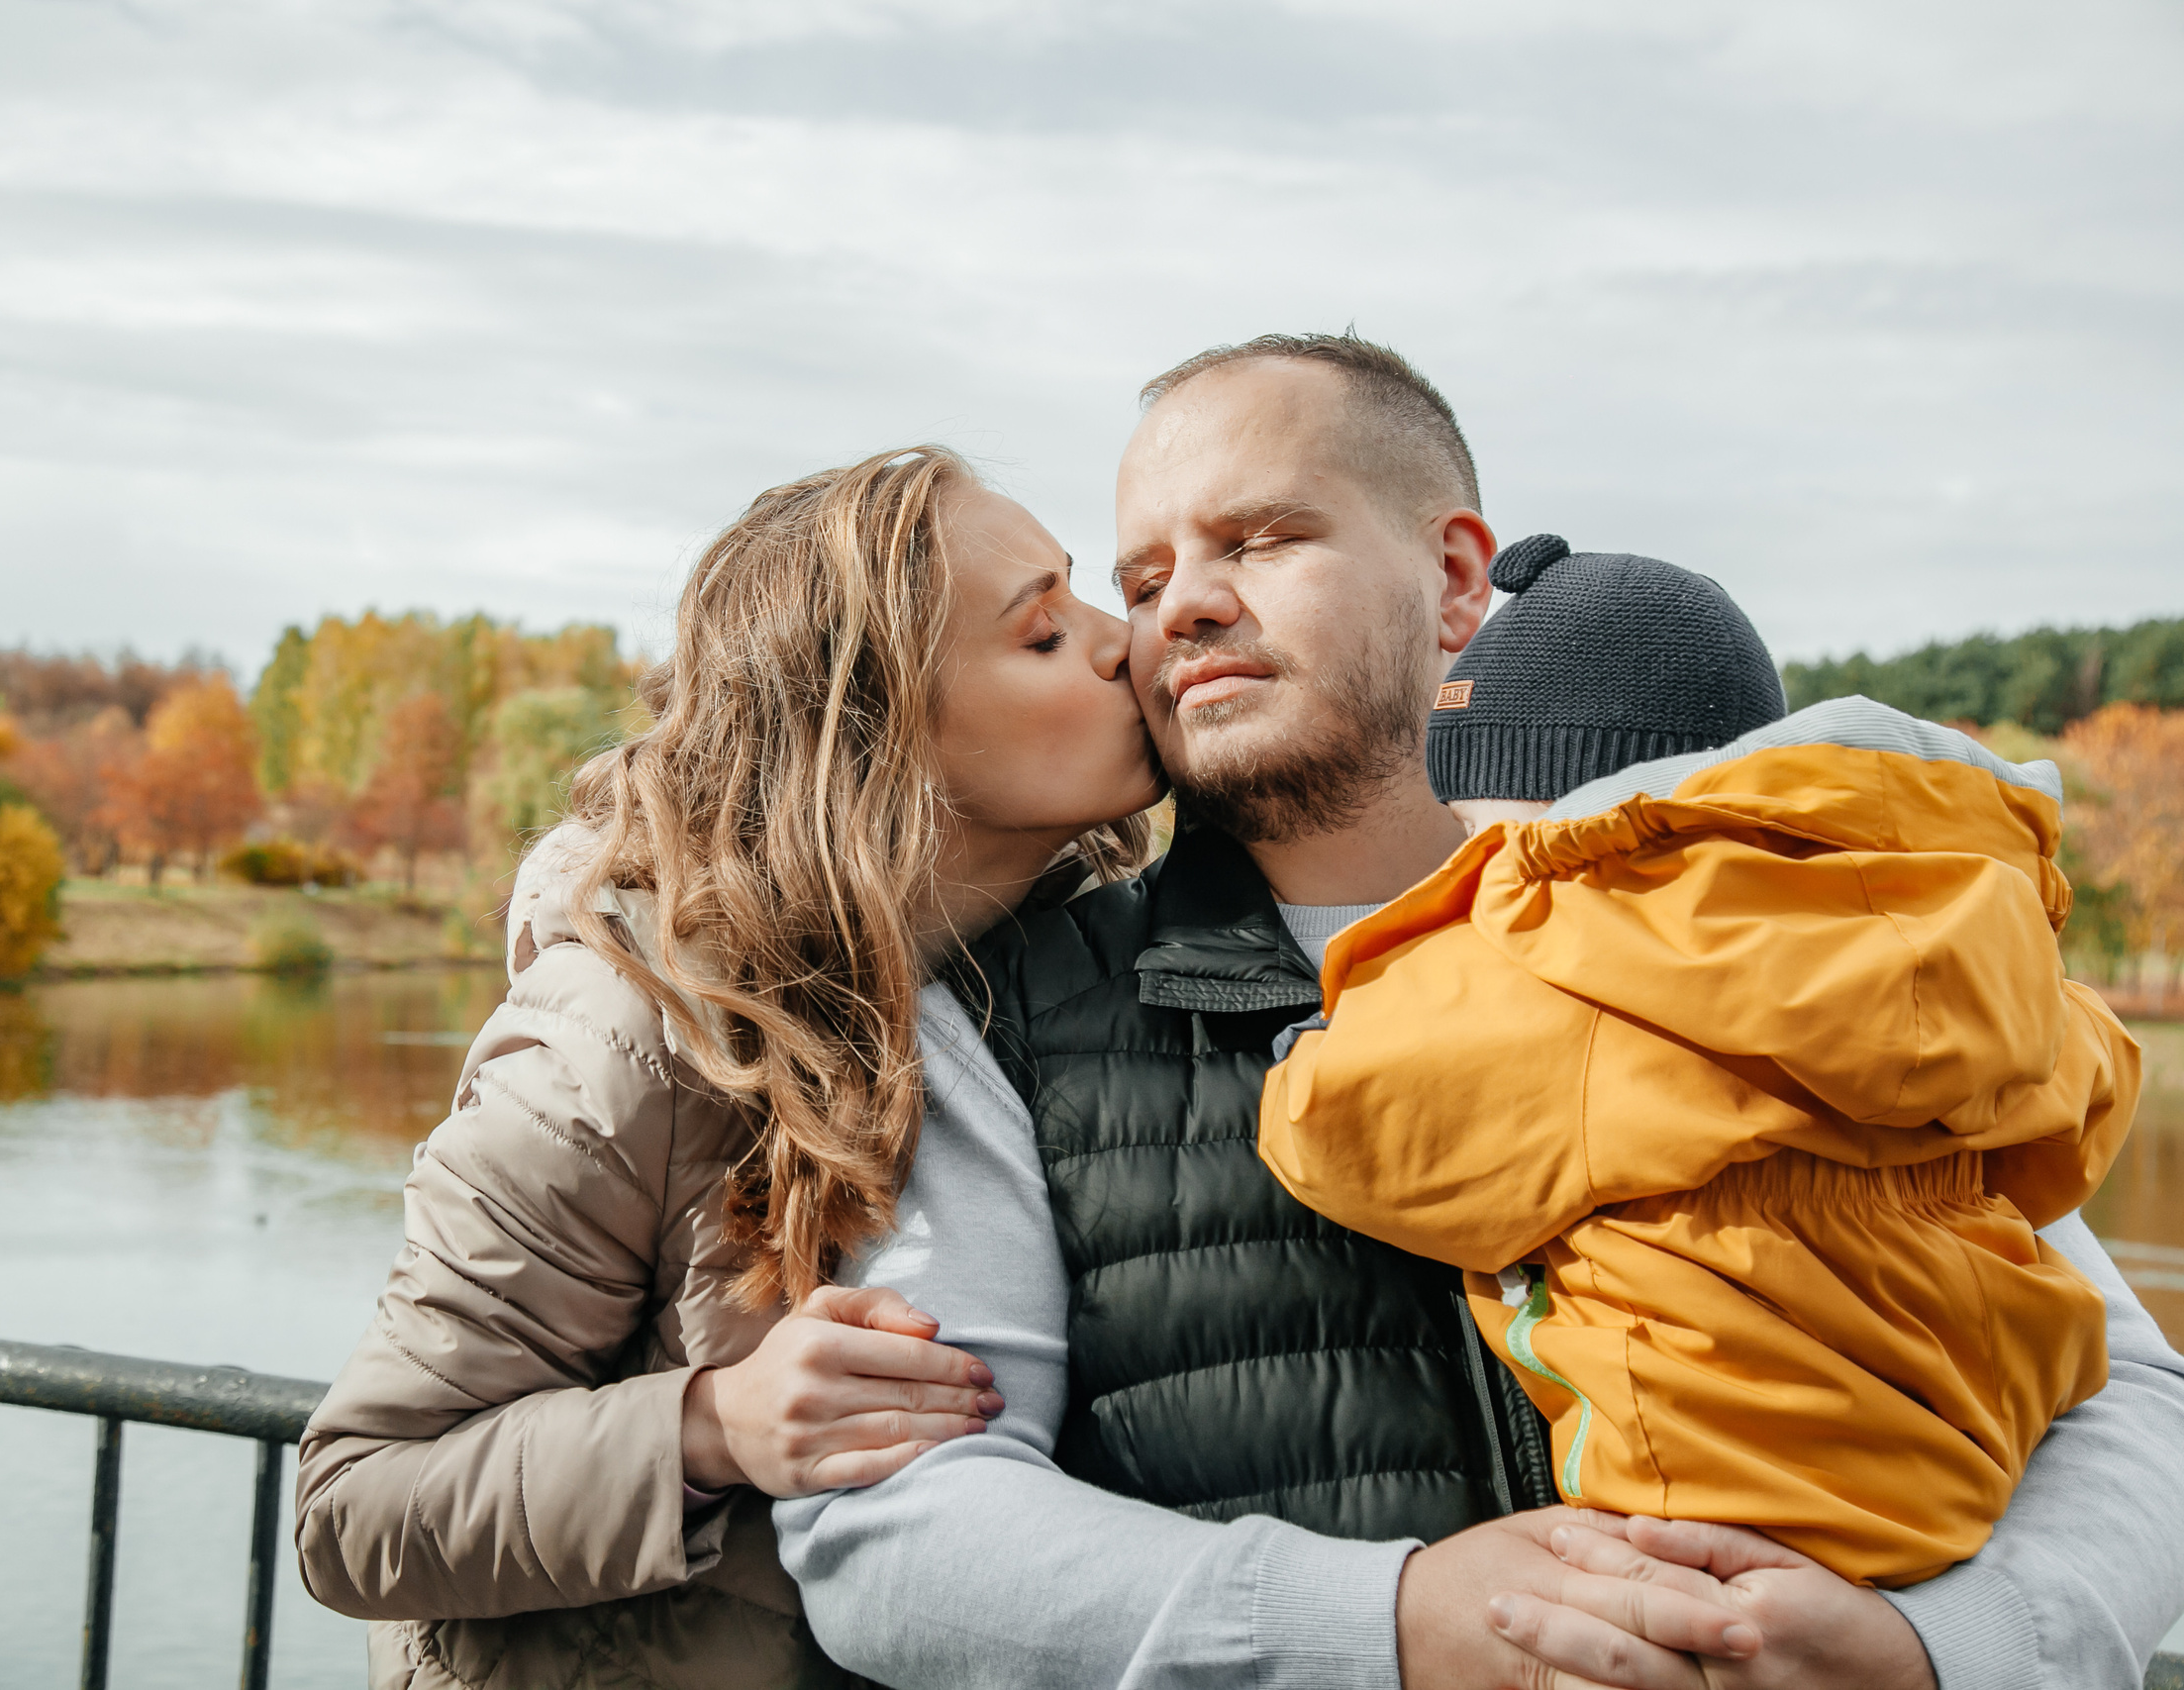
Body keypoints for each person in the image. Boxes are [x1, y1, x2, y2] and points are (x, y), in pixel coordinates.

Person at [775, 334, 2184, 1688]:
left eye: (1257, 539)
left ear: (1456, 577)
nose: (1179, 607)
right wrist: (1389, 1626)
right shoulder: (1001, 1017)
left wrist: (1951, 1654)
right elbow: (894, 1534)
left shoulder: (1781, 928)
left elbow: (2133, 1400)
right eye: (1142, 578)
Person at [294, 445, 1162, 1688]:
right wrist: (714, 1429)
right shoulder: (617, 1041)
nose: (1120, 637)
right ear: (875, 739)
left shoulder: (1064, 989)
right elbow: (355, 1508)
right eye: (1041, 635)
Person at [1258, 536, 2139, 1588]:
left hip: (1712, 1488)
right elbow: (2083, 1116)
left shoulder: (1570, 962)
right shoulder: (1986, 938)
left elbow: (1341, 1128)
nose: (1466, 849)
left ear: (1550, 805)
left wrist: (1306, 1042)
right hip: (1970, 1458)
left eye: (1474, 821)